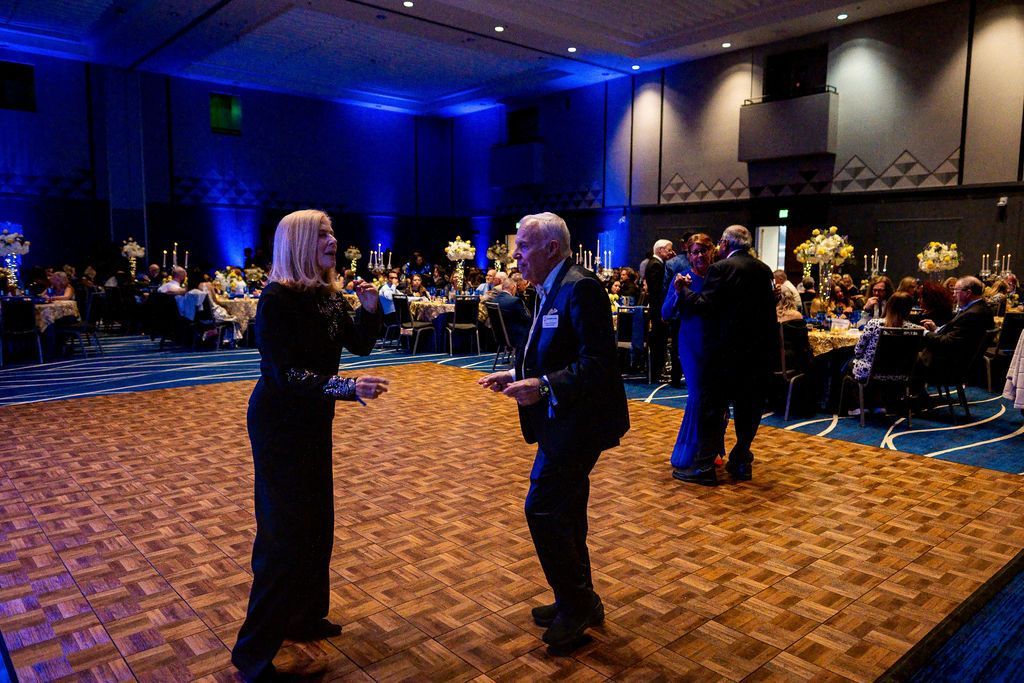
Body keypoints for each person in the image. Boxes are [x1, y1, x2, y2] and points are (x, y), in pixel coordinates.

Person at [231, 210, 386, 682]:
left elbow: (359, 344)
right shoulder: (276, 299)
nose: (332, 239)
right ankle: (252, 654)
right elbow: (284, 374)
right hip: (279, 425)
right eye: (321, 234)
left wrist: (370, 309)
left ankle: (305, 616)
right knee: (282, 535)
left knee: (317, 522)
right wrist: (346, 388)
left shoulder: (328, 295)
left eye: (332, 232)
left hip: (314, 420)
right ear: (297, 242)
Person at [478, 212, 628, 654]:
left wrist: (542, 386)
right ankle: (579, 599)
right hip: (561, 418)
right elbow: (551, 351)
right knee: (567, 511)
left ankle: (576, 605)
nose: (516, 256)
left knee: (542, 508)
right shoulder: (550, 285)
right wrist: (515, 374)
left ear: (551, 248)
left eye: (523, 246)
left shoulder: (581, 287)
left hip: (579, 422)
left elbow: (599, 363)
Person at [672, 225, 778, 485]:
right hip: (756, 353)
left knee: (712, 409)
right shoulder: (764, 269)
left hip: (723, 353)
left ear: (726, 243)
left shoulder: (721, 268)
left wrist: (683, 291)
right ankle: (741, 460)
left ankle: (704, 467)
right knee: (748, 409)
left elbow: (705, 306)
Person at [662, 234, 725, 469]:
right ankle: (692, 451)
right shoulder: (682, 278)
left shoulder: (718, 277)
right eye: (695, 252)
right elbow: (665, 313)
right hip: (691, 343)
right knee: (698, 396)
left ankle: (712, 449)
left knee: (715, 400)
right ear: (688, 255)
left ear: (712, 251)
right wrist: (678, 292)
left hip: (716, 345)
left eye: (703, 251)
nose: (699, 256)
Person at [913, 276, 994, 402]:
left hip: (949, 367)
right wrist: (936, 329)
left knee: (907, 358)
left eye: (956, 291)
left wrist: (925, 332)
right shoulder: (980, 309)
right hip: (957, 361)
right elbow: (956, 336)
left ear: (968, 293)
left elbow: (948, 343)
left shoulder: (972, 314)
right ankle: (918, 395)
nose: (953, 294)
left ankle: (912, 398)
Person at [850, 292, 921, 382]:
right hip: (901, 375)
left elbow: (858, 351)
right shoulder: (915, 330)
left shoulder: (874, 324)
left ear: (889, 305)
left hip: (871, 373)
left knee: (848, 363)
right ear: (909, 309)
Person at [645, 239, 673, 381]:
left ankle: (658, 370)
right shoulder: (656, 265)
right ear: (660, 250)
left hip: (657, 308)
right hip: (658, 309)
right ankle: (657, 372)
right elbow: (657, 291)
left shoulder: (656, 263)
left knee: (659, 340)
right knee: (658, 341)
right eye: (669, 249)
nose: (671, 252)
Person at [488, 272, 532, 349]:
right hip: (515, 337)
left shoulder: (494, 300)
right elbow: (527, 318)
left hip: (501, 337)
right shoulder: (515, 301)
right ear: (513, 287)